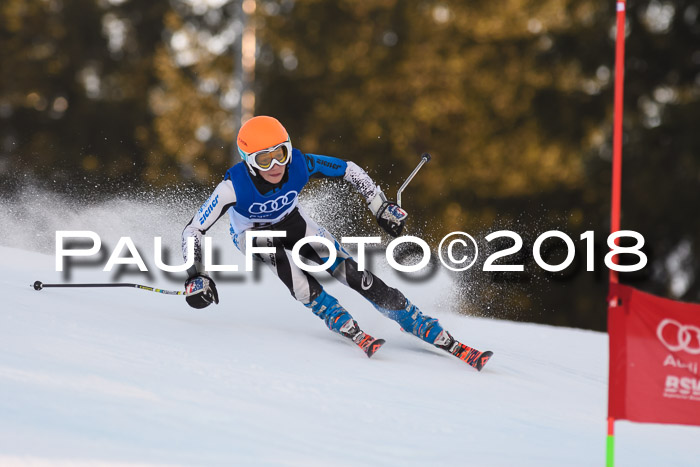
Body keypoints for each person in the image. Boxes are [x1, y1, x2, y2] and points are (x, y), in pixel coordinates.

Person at [182, 116, 491, 367]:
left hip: (292, 221)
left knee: (351, 273)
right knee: (295, 277)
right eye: (264, 159)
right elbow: (193, 230)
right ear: (249, 161)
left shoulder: (300, 164)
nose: (275, 165)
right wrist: (196, 274)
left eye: (280, 153)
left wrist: (379, 205)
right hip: (253, 234)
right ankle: (332, 314)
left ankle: (413, 318)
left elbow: (350, 170)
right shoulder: (231, 188)